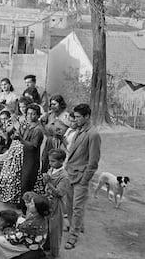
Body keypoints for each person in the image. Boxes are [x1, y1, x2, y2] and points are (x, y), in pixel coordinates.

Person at [64, 104, 101, 250]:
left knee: (77, 207)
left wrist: (85, 180)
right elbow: (72, 151)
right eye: (75, 116)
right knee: (69, 206)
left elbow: (93, 162)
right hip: (71, 173)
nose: (76, 119)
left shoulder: (93, 134)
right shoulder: (78, 130)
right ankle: (76, 226)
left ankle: (73, 236)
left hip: (81, 177)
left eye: (79, 117)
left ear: (87, 117)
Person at [0, 104, 44, 212]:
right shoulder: (29, 125)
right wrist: (17, 133)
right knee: (24, 185)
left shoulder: (38, 129)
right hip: (25, 158)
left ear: (38, 115)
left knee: (27, 184)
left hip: (31, 159)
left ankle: (26, 211)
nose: (30, 116)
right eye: (28, 113)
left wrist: (20, 139)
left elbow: (32, 146)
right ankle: (24, 209)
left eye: (33, 114)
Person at [0, 194, 50, 259]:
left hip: (28, 246)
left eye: (32, 204)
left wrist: (5, 236)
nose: (29, 205)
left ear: (37, 208)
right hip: (36, 244)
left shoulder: (29, 225)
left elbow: (15, 239)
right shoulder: (43, 219)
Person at [43, 149, 70, 258]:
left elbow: (59, 193)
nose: (50, 164)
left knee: (55, 229)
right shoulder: (52, 169)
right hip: (48, 202)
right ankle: (46, 246)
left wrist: (48, 182)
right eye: (50, 161)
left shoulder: (64, 177)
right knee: (47, 226)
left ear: (62, 161)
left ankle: (54, 253)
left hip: (57, 204)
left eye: (53, 161)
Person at [40, 95, 70, 173]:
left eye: (55, 104)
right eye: (51, 104)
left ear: (60, 104)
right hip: (49, 142)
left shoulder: (66, 116)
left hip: (60, 143)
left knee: (56, 162)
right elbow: (46, 131)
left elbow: (68, 130)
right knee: (45, 161)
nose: (52, 106)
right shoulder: (50, 115)